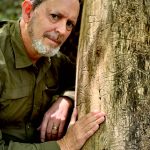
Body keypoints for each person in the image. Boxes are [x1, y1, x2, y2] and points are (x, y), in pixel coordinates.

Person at [0, 0, 106, 149]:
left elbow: (79, 80)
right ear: (28, 12)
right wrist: (65, 145)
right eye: (55, 16)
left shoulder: (55, 60)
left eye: (69, 24)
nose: (63, 31)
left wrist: (66, 99)